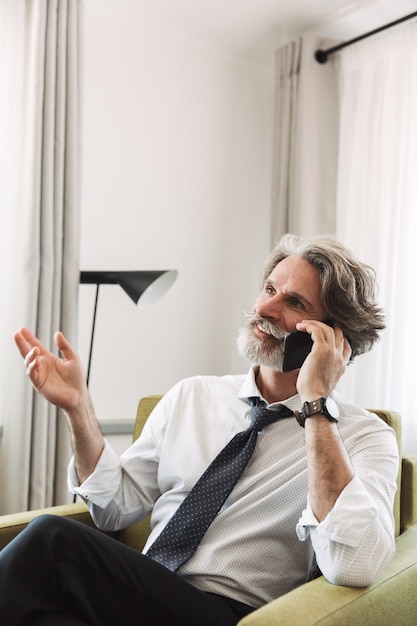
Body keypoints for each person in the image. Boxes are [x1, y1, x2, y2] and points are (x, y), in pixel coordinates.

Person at [1, 233, 398, 625]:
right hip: (137, 594)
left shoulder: (364, 436)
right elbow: (114, 506)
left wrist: (316, 405)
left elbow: (354, 564)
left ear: (334, 337)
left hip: (229, 611)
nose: (266, 308)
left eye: (294, 302)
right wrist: (79, 409)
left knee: (52, 541)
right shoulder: (193, 395)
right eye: (269, 289)